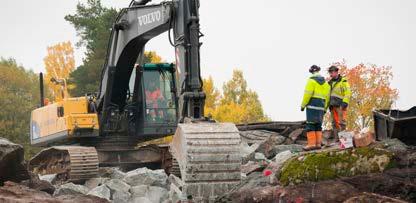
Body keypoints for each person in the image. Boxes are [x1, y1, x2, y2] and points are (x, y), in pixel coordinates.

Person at [301, 65, 331, 150]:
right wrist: (325, 108)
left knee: (310, 124)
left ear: (311, 72)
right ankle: (318, 144)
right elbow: (328, 97)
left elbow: (307, 94)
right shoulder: (326, 84)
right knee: (318, 125)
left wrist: (303, 105)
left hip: (312, 105)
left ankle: (311, 144)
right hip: (321, 106)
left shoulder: (311, 81)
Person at [328, 65, 351, 141]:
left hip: (341, 105)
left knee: (342, 122)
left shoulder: (343, 81)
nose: (330, 74)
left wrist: (345, 102)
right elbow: (327, 94)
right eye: (330, 72)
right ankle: (337, 139)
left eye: (332, 72)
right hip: (332, 105)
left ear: (336, 72)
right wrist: (328, 105)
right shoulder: (329, 83)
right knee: (334, 123)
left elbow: (348, 92)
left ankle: (344, 140)